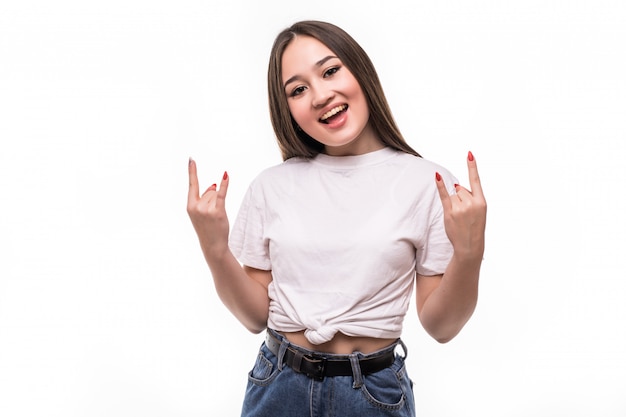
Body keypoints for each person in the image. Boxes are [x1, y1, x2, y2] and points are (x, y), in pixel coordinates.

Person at [187, 20, 486, 417]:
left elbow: (441, 327)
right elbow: (255, 317)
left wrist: (469, 253)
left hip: (372, 393)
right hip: (277, 384)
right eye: (298, 89)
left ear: (360, 71)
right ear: (287, 108)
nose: (320, 95)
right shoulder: (271, 186)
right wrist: (214, 248)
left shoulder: (426, 183)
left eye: (330, 71)